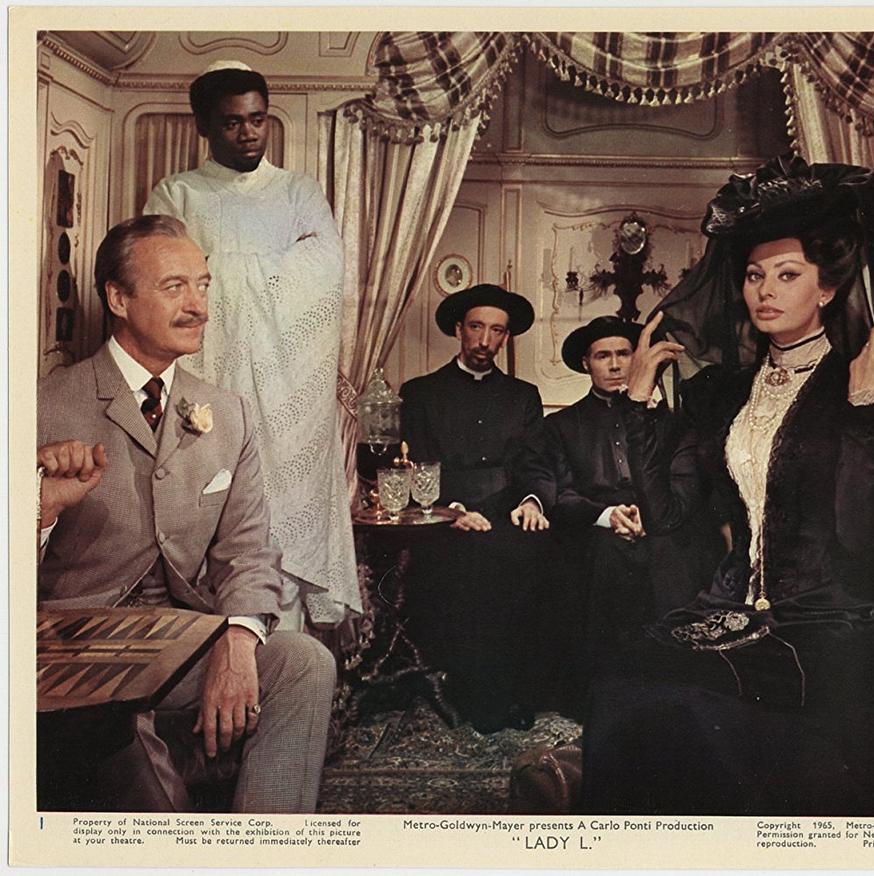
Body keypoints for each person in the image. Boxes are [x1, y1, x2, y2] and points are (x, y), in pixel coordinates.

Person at [580, 157, 874, 815]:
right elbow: (668, 514)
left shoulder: (866, 386)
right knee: (622, 675)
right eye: (755, 275)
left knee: (685, 698)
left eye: (788, 275)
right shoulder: (722, 392)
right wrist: (640, 403)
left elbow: (866, 543)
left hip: (832, 620)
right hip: (730, 603)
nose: (766, 290)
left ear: (826, 290)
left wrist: (869, 414)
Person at [37, 215, 336, 812]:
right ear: (118, 299)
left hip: (182, 638)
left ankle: (267, 845)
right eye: (174, 287)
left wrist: (239, 637)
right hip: (76, 649)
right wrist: (37, 510)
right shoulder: (41, 406)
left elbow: (247, 548)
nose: (198, 306)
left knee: (304, 661)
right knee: (129, 744)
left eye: (202, 286)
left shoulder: (226, 411)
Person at [144, 60, 360, 630]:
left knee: (282, 517)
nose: (248, 134)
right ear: (204, 127)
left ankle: (284, 646)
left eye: (258, 120)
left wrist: (223, 269)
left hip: (289, 391)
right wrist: (259, 268)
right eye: (232, 122)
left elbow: (326, 269)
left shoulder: (297, 192)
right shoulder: (178, 194)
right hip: (210, 378)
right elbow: (160, 276)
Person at [399, 284, 551, 732]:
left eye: (497, 331)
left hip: (506, 511)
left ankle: (518, 692)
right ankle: (479, 700)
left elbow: (533, 463)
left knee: (537, 555)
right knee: (473, 566)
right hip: (444, 516)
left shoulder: (523, 396)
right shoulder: (421, 393)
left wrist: (531, 500)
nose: (485, 341)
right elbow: (417, 467)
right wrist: (453, 510)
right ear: (458, 330)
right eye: (477, 328)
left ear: (506, 337)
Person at [541, 316, 716, 663]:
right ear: (586, 363)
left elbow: (684, 487)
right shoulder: (560, 426)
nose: (615, 365)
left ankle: (676, 668)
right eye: (603, 356)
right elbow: (560, 494)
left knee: (678, 553)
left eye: (623, 354)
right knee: (602, 557)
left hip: (662, 525)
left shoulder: (670, 423)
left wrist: (649, 516)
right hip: (596, 532)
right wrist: (607, 516)